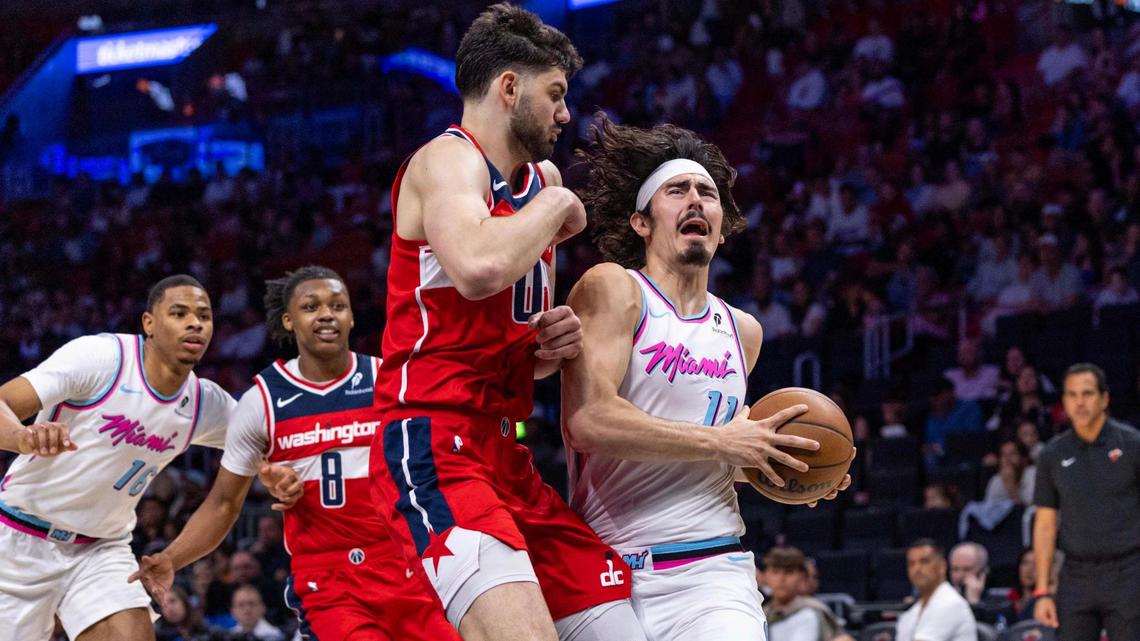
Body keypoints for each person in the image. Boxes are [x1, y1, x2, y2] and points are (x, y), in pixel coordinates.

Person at [368, 7, 643, 640]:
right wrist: (557, 203)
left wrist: (547, 349)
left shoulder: (537, 180)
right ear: (510, 88)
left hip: (503, 446)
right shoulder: (446, 160)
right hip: (430, 440)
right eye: (557, 94)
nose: (566, 115)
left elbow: (491, 328)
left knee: (618, 629)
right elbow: (477, 267)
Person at [561, 117, 851, 641]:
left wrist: (783, 464)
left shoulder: (744, 331)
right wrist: (724, 440)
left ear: (720, 224)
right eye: (677, 190)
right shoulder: (615, 289)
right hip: (608, 572)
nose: (696, 199)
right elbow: (590, 420)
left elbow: (716, 459)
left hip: (712, 572)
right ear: (641, 223)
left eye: (708, 193)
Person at [132, 267, 459, 640]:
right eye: (311, 306)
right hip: (330, 579)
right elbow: (223, 503)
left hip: (406, 562)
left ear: (351, 317)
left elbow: (434, 474)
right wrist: (172, 557)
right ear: (289, 320)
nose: (326, 314)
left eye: (338, 305)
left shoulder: (388, 381)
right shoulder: (262, 401)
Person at [0, 275, 300, 641]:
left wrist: (279, 473)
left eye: (204, 316)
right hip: (18, 538)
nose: (195, 323)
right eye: (179, 313)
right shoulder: (102, 358)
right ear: (149, 323)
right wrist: (22, 437)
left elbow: (270, 458)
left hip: (99, 550)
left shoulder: (207, 404)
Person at [1033, 363, 1140, 639]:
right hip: (1076, 575)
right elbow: (1045, 525)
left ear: (1105, 399)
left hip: (1129, 571)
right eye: (1072, 395)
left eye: (1088, 393)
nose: (1080, 402)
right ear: (1064, 402)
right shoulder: (1052, 454)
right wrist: (1043, 590)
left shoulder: (1132, 445)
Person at [896, 539, 977, 641]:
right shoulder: (911, 613)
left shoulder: (951, 603)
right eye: (911, 563)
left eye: (924, 562)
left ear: (942, 566)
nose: (917, 568)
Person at [762, 547, 847, 641]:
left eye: (789, 572)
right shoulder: (762, 613)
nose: (781, 579)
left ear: (801, 577)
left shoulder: (810, 612)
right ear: (766, 575)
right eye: (775, 572)